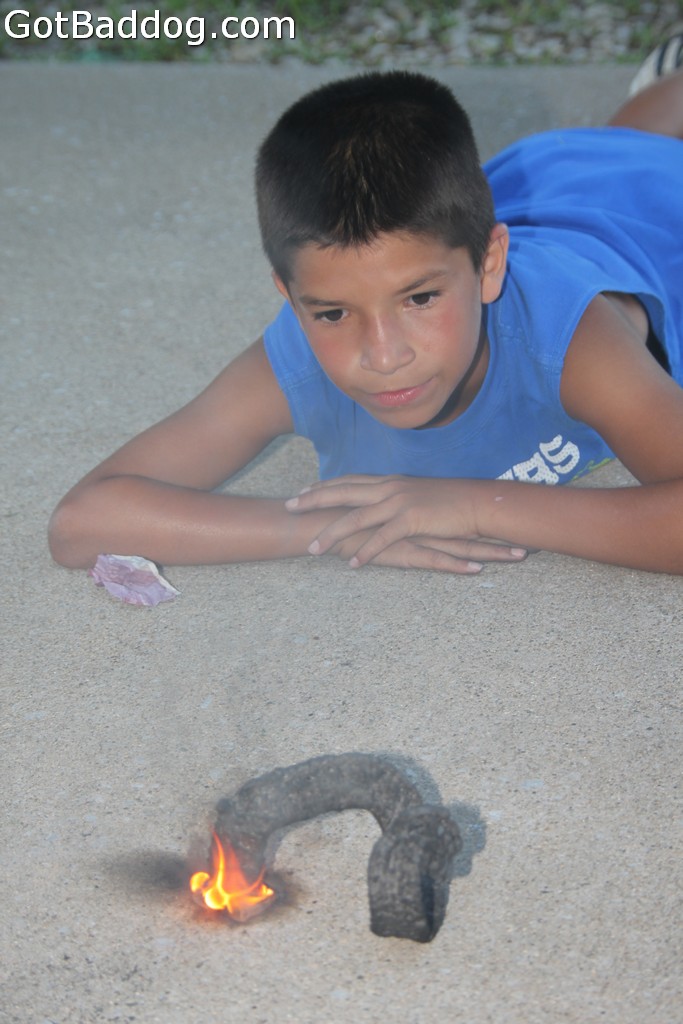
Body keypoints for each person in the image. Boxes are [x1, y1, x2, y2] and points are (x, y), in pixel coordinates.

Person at [48, 53, 683, 576]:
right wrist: (332, 528)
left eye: (420, 299)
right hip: (536, 189)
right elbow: (82, 522)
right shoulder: (299, 363)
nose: (383, 354)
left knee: (632, 156)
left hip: (658, 222)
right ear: (289, 295)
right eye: (332, 313)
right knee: (600, 152)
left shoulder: (569, 338)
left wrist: (477, 506)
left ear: (489, 267)